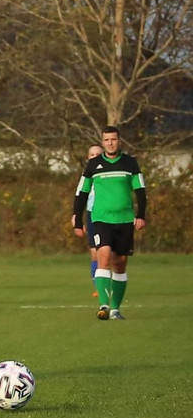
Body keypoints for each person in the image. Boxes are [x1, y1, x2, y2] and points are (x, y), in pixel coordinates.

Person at [72, 127, 147, 320]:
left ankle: (115, 308)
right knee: (103, 256)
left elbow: (140, 190)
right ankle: (103, 305)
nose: (110, 143)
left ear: (119, 141)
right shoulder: (93, 165)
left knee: (120, 264)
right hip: (101, 219)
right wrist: (77, 220)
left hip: (124, 219)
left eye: (113, 139)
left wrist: (141, 215)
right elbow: (81, 193)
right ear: (103, 142)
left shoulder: (130, 163)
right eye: (106, 140)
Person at [72, 144, 104, 297]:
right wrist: (77, 218)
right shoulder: (86, 176)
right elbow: (80, 196)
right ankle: (99, 287)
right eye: (92, 155)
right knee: (94, 253)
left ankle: (109, 284)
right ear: (88, 158)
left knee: (108, 254)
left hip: (109, 216)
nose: (95, 157)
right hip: (92, 215)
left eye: (98, 154)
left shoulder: (109, 174)